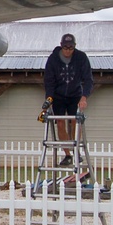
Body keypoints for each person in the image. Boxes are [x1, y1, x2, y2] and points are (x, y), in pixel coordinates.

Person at [42, 33, 94, 166]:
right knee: (60, 122)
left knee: (74, 121)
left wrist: (84, 97)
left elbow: (88, 80)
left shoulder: (81, 58)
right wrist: (49, 99)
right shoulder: (53, 59)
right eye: (65, 48)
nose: (68, 51)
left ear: (74, 47)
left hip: (75, 94)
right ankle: (67, 154)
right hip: (58, 96)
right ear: (61, 46)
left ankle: (76, 150)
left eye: (71, 48)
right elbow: (49, 81)